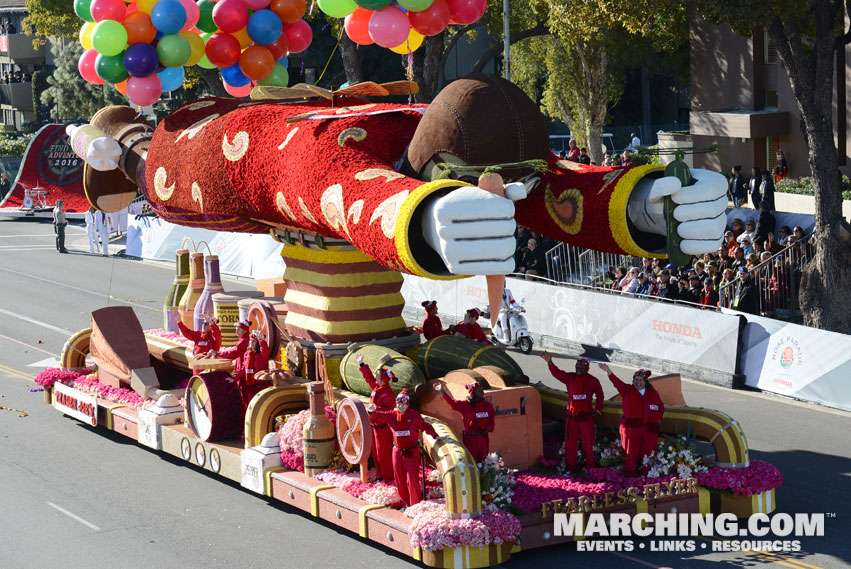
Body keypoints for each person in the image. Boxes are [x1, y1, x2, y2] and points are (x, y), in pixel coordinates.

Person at [368, 389, 438, 507]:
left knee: (412, 479)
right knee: (399, 480)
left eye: (403, 404)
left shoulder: (414, 416)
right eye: (398, 404)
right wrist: (371, 411)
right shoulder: (392, 415)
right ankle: (406, 504)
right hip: (397, 452)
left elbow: (425, 426)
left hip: (412, 452)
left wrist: (435, 435)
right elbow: (378, 416)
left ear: (407, 404)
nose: (400, 406)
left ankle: (415, 505)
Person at [597, 363, 664, 477]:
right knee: (631, 454)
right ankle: (630, 476)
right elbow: (617, 383)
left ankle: (645, 476)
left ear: (645, 382)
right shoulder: (627, 390)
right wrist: (609, 371)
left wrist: (657, 420)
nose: (638, 382)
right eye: (636, 380)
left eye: (640, 380)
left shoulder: (652, 393)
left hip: (649, 430)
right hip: (632, 430)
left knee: (647, 454)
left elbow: (661, 408)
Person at [541, 353, 603, 472]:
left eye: (581, 368)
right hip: (572, 418)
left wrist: (598, 410)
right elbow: (557, 373)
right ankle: (571, 468)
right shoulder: (570, 377)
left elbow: (600, 395)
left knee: (588, 445)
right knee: (570, 445)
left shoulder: (593, 381)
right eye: (577, 368)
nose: (578, 370)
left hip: (586, 418)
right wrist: (550, 362)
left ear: (586, 369)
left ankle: (590, 468)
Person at [357, 353, 397, 482]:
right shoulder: (377, 387)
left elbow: (390, 411)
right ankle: (380, 476)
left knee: (383, 454)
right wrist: (362, 364)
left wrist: (375, 410)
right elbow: (368, 378)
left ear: (383, 379)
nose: (375, 378)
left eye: (378, 377)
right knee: (376, 453)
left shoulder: (388, 394)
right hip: (374, 426)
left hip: (383, 428)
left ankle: (388, 478)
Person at [434, 380, 495, 463]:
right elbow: (453, 404)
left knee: (484, 462)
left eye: (482, 389)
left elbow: (492, 419)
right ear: (473, 393)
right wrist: (442, 391)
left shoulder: (487, 405)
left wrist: (489, 428)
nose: (482, 392)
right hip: (470, 440)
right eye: (479, 390)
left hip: (483, 439)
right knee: (472, 461)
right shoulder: (465, 405)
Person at [235, 330, 270, 410]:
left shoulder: (262, 355)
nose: (251, 342)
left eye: (254, 341)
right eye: (250, 341)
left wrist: (261, 340)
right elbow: (243, 370)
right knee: (251, 408)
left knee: (261, 408)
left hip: (261, 387)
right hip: (250, 387)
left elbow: (264, 349)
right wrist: (234, 379)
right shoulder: (247, 354)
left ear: (257, 344)